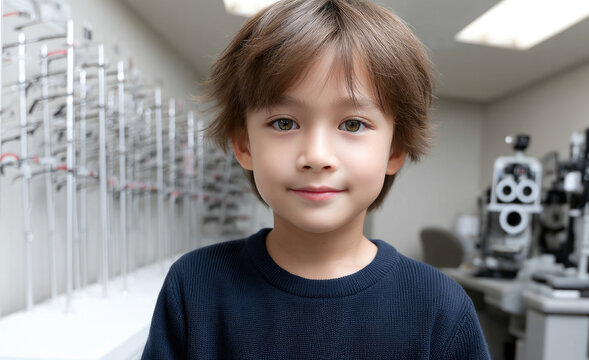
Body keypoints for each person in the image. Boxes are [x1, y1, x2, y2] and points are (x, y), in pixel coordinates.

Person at [142, 0, 490, 358]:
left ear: (395, 149)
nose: (318, 156)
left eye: (352, 124)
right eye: (284, 123)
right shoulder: (194, 286)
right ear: (244, 144)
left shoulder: (440, 308)